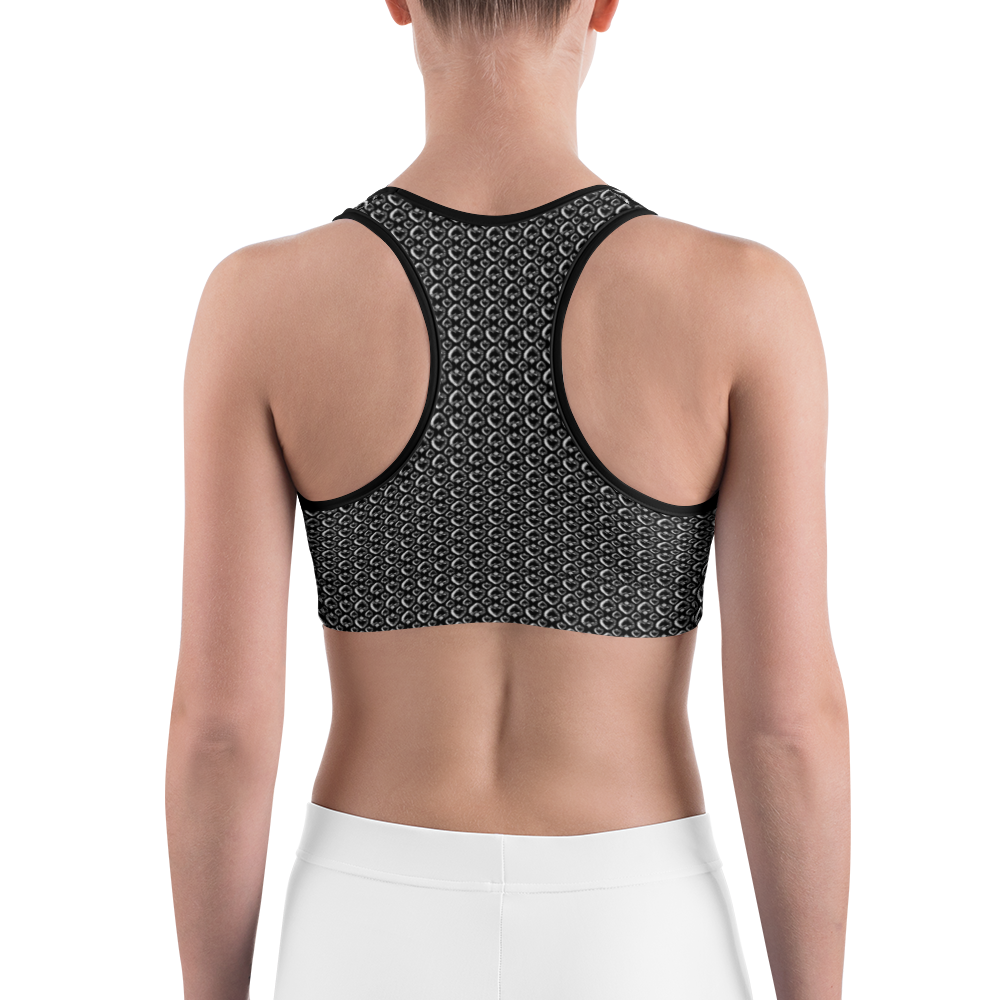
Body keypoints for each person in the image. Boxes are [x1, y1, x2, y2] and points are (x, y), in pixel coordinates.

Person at [166, 0, 850, 997]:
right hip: (636, 917)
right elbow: (789, 724)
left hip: (371, 916)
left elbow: (221, 728)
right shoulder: (744, 297)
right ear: (602, 7)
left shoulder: (259, 299)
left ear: (399, 2)